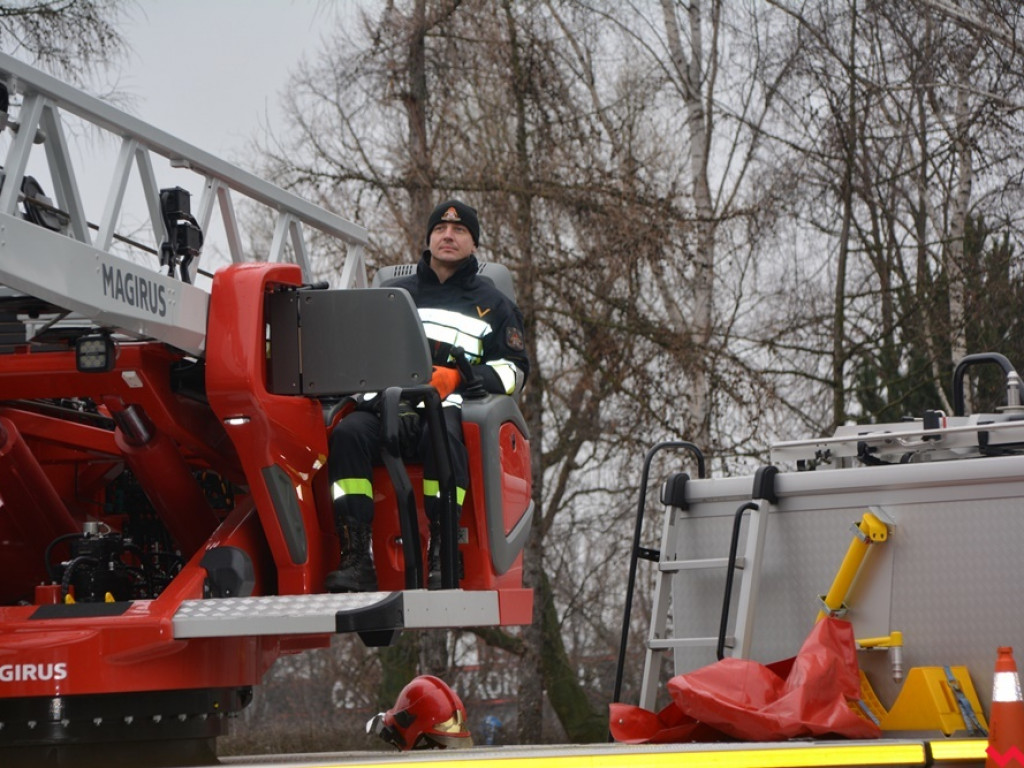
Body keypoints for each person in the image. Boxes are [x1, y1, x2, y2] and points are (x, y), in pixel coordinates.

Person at [325, 199, 529, 592]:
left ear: (474, 245)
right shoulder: (393, 296)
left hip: (449, 410)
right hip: (388, 407)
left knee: (446, 440)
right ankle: (355, 559)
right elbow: (363, 356)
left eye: (459, 231)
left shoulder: (496, 305)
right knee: (348, 435)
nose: (448, 236)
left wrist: (465, 379)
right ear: (429, 238)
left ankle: (443, 551)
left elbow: (516, 371)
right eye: (440, 229)